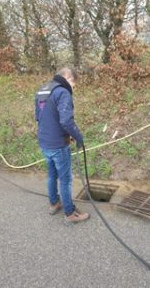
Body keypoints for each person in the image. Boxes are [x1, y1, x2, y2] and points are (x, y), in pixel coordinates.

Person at [35, 67, 90, 224]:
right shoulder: (62, 92)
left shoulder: (41, 91)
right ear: (68, 77)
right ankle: (70, 213)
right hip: (58, 145)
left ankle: (54, 203)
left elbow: (40, 117)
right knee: (65, 180)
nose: (73, 87)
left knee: (52, 175)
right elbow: (66, 120)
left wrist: (66, 134)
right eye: (74, 83)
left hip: (45, 143)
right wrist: (78, 137)